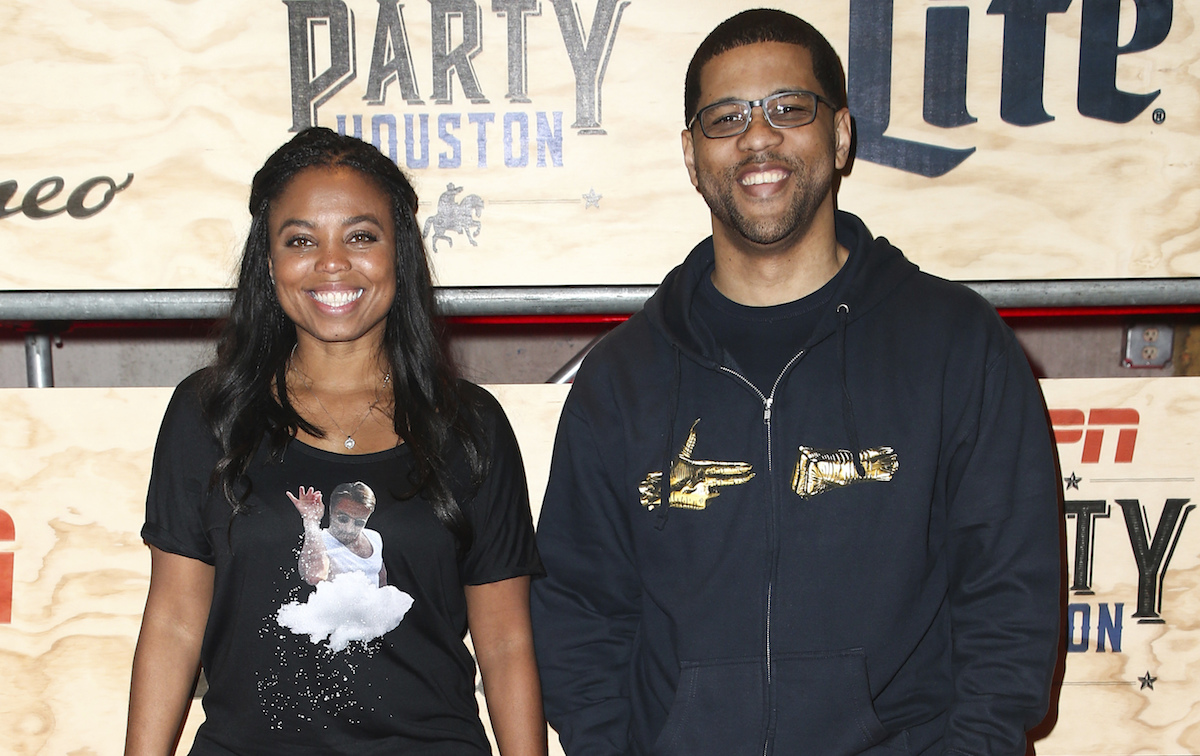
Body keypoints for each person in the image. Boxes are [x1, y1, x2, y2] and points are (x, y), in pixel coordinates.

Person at [530, 9, 1061, 756]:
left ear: (840, 134)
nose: (757, 137)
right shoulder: (622, 378)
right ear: (691, 153)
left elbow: (1009, 597)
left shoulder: (954, 343)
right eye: (726, 117)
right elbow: (582, 613)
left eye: (788, 109)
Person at [126, 127, 547, 756]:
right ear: (268, 262)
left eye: (360, 236)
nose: (331, 263)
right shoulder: (209, 414)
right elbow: (174, 622)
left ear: (398, 254)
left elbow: (508, 642)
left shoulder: (470, 425)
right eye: (301, 239)